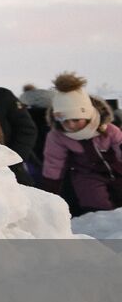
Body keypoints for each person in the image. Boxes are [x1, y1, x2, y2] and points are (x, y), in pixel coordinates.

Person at [40, 73, 122, 214]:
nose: (71, 125)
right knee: (95, 201)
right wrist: (50, 191)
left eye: (76, 120)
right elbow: (54, 163)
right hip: (87, 174)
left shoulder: (108, 130)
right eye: (65, 121)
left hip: (118, 169)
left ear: (88, 115)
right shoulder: (57, 136)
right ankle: (99, 224)